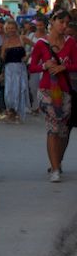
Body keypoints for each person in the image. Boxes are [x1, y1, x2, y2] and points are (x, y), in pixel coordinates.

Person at [28, 10, 77, 182]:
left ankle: (58, 161)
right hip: (47, 90)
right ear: (53, 22)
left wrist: (65, 67)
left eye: (67, 23)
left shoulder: (70, 43)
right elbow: (32, 66)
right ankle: (54, 169)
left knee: (63, 131)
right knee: (53, 127)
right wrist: (45, 65)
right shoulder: (41, 44)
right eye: (61, 22)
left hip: (64, 90)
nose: (64, 26)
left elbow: (76, 63)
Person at [1, 19, 31, 123]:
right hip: (9, 69)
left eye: (12, 28)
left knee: (20, 90)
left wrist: (28, 56)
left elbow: (37, 46)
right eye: (8, 28)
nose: (11, 30)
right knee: (9, 93)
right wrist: (1, 73)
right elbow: (2, 59)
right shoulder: (5, 42)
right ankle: (11, 112)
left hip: (20, 68)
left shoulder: (22, 39)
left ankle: (19, 113)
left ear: (16, 28)